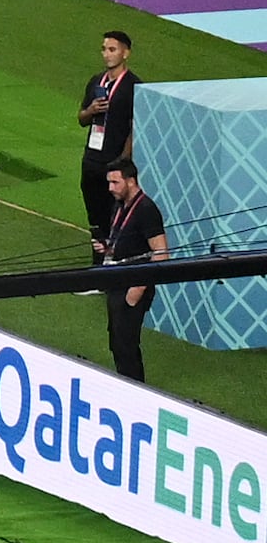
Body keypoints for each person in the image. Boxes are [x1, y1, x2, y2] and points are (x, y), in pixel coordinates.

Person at [100, 161, 173, 385]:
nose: (110, 188)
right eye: (109, 182)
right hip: (116, 282)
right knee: (117, 341)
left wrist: (138, 289)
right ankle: (125, 384)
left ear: (131, 181)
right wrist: (107, 247)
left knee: (127, 344)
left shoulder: (146, 210)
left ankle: (135, 389)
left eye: (115, 182)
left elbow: (161, 253)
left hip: (133, 287)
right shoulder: (120, 204)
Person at [80, 33, 143, 241]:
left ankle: (112, 260)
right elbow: (81, 119)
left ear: (126, 53)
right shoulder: (96, 82)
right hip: (91, 160)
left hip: (114, 162)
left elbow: (135, 127)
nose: (106, 55)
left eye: (112, 50)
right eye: (104, 49)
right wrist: (91, 110)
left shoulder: (133, 86)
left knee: (114, 217)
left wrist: (123, 160)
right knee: (95, 219)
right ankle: (97, 262)